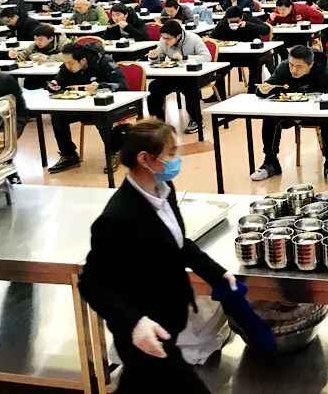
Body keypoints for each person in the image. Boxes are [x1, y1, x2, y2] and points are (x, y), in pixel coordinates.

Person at [79, 119, 235, 394]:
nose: (177, 160)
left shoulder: (164, 190)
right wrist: (135, 324)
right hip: (144, 333)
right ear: (145, 159)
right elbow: (91, 283)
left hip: (168, 321)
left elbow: (177, 244)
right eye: (171, 153)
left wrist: (216, 273)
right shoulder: (117, 218)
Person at [253, 45, 328, 184]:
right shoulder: (283, 68)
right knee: (270, 117)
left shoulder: (326, 70)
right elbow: (267, 88)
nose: (293, 70)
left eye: (299, 66)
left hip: (316, 115)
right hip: (291, 113)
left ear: (311, 64)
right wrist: (263, 90)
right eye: (291, 65)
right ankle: (270, 162)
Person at [47, 42, 129, 174]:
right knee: (58, 116)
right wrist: (53, 86)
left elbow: (122, 85)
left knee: (99, 115)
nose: (67, 66)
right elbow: (58, 82)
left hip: (110, 106)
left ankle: (113, 152)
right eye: (65, 63)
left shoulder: (104, 62)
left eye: (71, 63)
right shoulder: (67, 66)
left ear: (83, 60)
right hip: (83, 107)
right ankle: (69, 155)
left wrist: (101, 86)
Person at [146, 20, 211, 135]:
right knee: (154, 87)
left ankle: (196, 120)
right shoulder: (163, 41)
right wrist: (154, 57)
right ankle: (158, 122)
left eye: (168, 39)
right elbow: (160, 57)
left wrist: (185, 58)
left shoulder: (193, 39)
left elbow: (207, 57)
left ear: (178, 36)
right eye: (163, 38)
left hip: (194, 76)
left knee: (190, 87)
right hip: (173, 75)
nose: (165, 41)